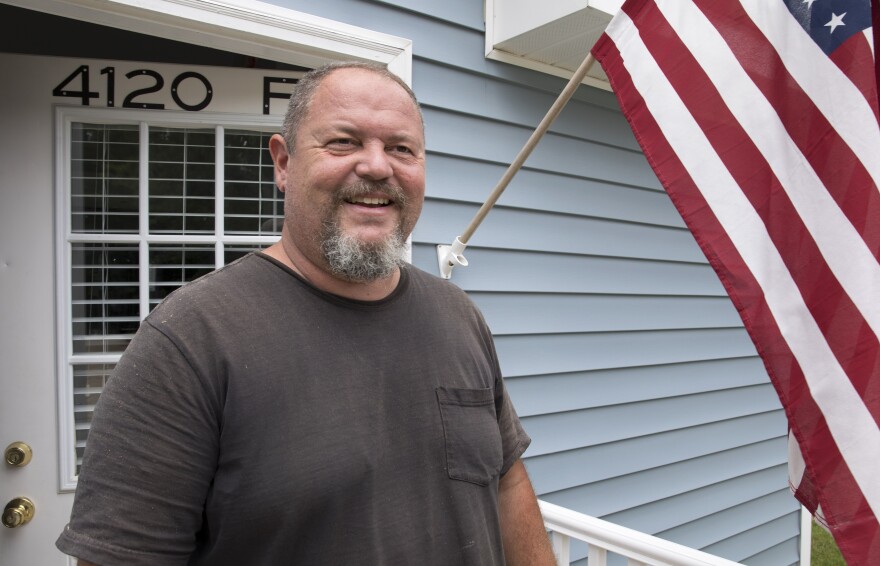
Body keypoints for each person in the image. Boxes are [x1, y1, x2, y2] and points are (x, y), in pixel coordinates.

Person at [56, 61, 555, 565]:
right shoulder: (191, 339)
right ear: (283, 163)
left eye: (401, 148)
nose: (378, 166)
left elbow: (507, 482)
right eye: (344, 141)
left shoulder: (459, 315)